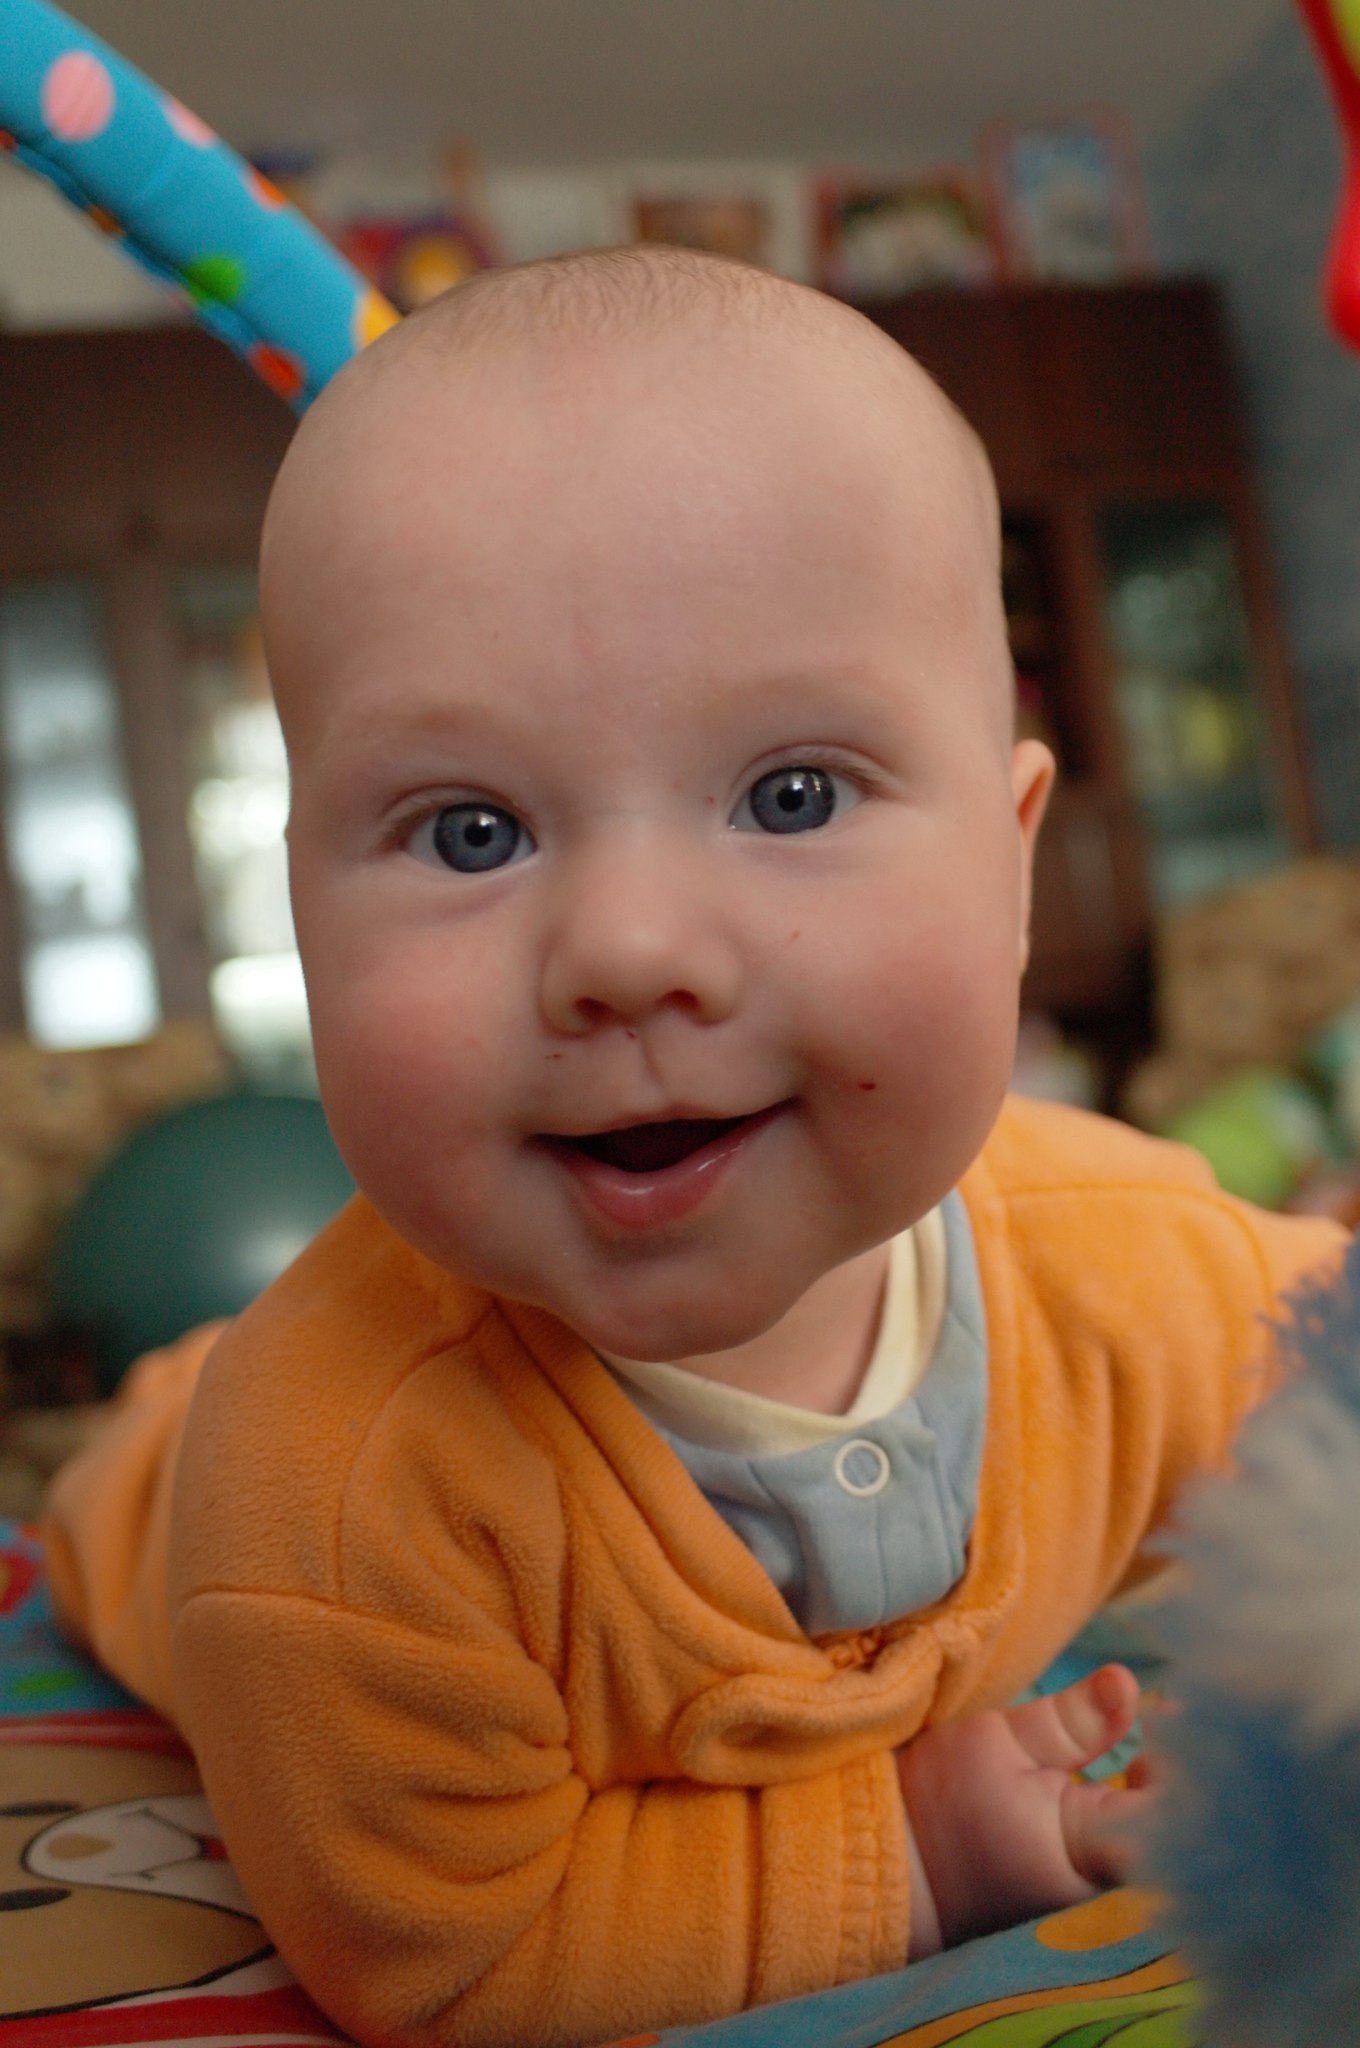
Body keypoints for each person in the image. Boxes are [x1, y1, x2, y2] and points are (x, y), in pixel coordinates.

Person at [43, 246, 1344, 2048]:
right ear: (299, 921)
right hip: (165, 1499)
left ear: (1014, 866)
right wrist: (923, 1843)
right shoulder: (335, 1497)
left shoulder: (1130, 1266)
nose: (630, 947)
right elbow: (454, 1950)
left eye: (791, 796)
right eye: (473, 831)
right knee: (162, 1444)